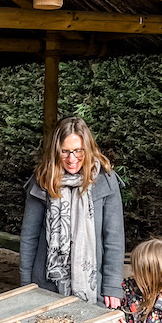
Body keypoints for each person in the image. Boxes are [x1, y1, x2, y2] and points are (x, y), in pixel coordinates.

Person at [19, 116, 125, 308]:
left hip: (94, 285)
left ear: (88, 149)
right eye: (65, 152)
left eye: (78, 151)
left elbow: (114, 238)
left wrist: (112, 286)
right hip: (45, 287)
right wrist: (26, 284)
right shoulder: (42, 180)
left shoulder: (106, 180)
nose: (72, 159)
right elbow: (29, 237)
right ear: (55, 151)